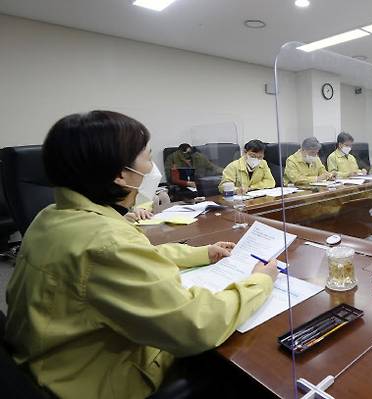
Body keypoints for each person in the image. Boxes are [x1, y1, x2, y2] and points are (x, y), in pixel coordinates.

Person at [4, 111, 279, 399]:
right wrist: (259, 282)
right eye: (147, 157)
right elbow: (196, 326)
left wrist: (201, 253)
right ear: (121, 174)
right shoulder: (104, 242)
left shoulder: (52, 216)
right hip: (93, 380)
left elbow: (137, 252)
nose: (153, 170)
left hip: (52, 363)